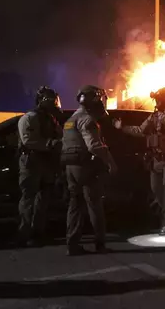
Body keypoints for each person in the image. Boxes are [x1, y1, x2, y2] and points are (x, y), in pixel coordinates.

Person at [113, 87, 165, 235]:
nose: (156, 101)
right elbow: (140, 130)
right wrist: (122, 127)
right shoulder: (154, 116)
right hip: (156, 159)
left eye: (159, 98)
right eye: (156, 99)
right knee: (156, 190)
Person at [62, 85, 117, 255]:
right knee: (94, 204)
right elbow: (93, 145)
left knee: (75, 206)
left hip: (70, 167)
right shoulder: (87, 120)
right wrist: (110, 162)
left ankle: (72, 244)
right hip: (84, 167)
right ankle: (100, 244)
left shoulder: (71, 119)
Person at [16, 86, 62, 247]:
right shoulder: (29, 118)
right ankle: (25, 233)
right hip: (32, 162)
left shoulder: (51, 119)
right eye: (50, 100)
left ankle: (38, 233)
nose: (54, 103)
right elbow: (28, 140)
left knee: (43, 199)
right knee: (29, 199)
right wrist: (50, 144)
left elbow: (59, 137)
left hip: (47, 163)